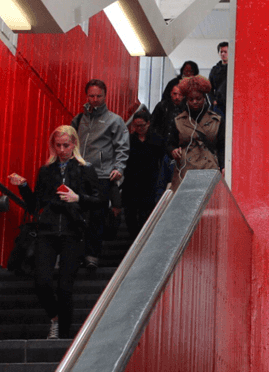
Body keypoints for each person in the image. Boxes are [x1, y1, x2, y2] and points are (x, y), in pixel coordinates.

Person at [9, 126, 101, 339]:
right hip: (48, 230)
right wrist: (23, 186)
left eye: (65, 145)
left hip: (73, 230)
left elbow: (98, 202)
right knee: (42, 281)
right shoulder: (47, 171)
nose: (61, 150)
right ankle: (55, 319)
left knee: (65, 287)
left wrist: (78, 198)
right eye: (57, 145)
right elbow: (34, 205)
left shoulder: (85, 168)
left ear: (74, 144)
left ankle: (64, 336)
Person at [72, 79, 129, 269]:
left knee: (96, 216)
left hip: (102, 175)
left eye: (99, 96)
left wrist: (119, 168)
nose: (95, 99)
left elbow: (122, 147)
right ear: (86, 96)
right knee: (77, 214)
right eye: (91, 96)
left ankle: (92, 256)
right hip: (79, 173)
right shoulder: (79, 119)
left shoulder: (114, 120)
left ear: (105, 96)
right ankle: (76, 254)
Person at [165, 75, 224, 190]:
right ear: (186, 101)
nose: (195, 102)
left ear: (204, 98)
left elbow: (222, 146)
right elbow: (169, 143)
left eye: (198, 99)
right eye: (191, 99)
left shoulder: (216, 120)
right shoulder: (178, 121)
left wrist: (223, 167)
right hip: (186, 170)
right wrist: (173, 151)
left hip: (209, 168)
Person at [122, 109, 165, 236]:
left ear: (148, 123)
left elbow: (162, 161)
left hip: (149, 184)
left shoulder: (157, 140)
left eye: (142, 125)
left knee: (145, 216)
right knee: (130, 216)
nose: (139, 128)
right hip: (131, 183)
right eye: (136, 126)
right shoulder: (128, 140)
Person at [209, 41, 229, 108]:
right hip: (218, 104)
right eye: (221, 52)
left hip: (231, 102)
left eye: (225, 52)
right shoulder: (214, 70)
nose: (223, 54)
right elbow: (209, 87)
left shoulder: (235, 69)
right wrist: (213, 101)